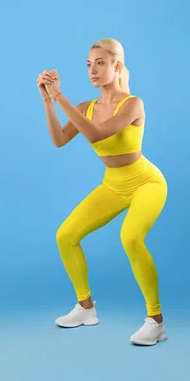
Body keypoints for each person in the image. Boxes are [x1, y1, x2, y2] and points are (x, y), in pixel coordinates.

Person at [36, 38, 168, 346]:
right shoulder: (86, 108)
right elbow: (59, 140)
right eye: (88, 64)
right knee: (65, 236)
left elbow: (96, 134)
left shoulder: (133, 104)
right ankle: (85, 308)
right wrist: (47, 101)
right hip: (114, 184)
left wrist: (59, 96)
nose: (92, 70)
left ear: (116, 66)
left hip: (147, 182)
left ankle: (156, 322)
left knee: (131, 238)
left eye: (100, 63)